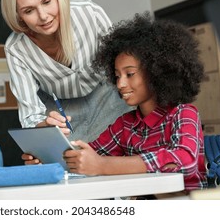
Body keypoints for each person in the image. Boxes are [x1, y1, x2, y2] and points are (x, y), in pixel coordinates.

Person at [24, 12, 207, 192]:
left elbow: (184, 160)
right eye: (117, 76)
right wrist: (46, 157)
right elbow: (87, 156)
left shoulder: (183, 114)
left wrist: (103, 165)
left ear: (157, 72)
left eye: (130, 74)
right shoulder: (125, 125)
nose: (120, 84)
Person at [1, 0, 131, 142]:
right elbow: (31, 116)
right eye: (29, 10)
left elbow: (125, 63)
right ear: (18, 16)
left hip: (108, 99)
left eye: (47, 1)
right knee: (71, 166)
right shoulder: (16, 49)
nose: (43, 16)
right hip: (62, 115)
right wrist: (45, 127)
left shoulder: (90, 14)